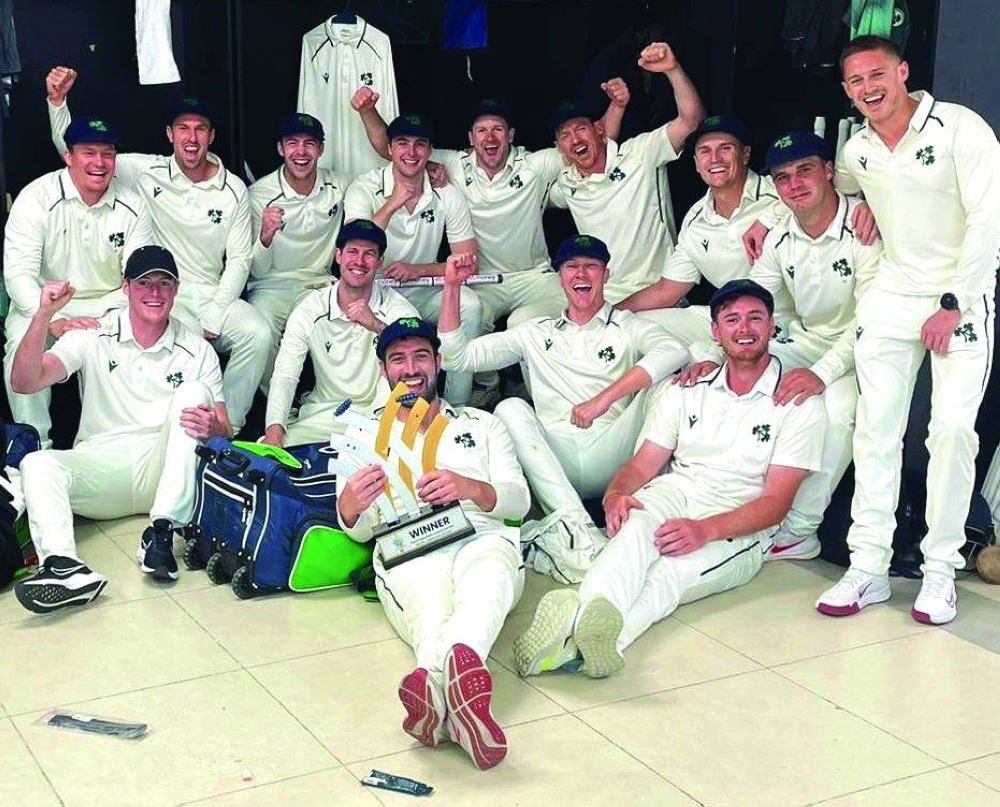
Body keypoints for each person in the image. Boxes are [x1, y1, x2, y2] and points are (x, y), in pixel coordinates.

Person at [513, 280, 823, 678]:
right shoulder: (687, 389)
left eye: (754, 318)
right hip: (676, 492)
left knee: (665, 577)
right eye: (732, 320)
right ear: (715, 332)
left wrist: (705, 530)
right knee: (634, 533)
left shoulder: (796, 401)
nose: (743, 328)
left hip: (737, 520)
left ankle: (580, 639)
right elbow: (642, 466)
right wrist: (617, 495)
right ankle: (586, 634)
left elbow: (775, 503)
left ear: (771, 327)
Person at [815, 35, 1000, 625]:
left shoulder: (959, 128)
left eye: (877, 75)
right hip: (893, 292)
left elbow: (988, 220)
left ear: (902, 72)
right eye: (855, 82)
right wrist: (862, 203)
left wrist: (955, 302)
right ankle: (867, 566)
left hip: (959, 295)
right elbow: (848, 188)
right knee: (874, 430)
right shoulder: (860, 151)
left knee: (949, 430)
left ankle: (939, 570)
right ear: (846, 91)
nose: (868, 89)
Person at [336, 316, 529, 770]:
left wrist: (471, 487)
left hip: (480, 535)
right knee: (431, 609)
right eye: (398, 359)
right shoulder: (363, 434)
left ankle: (435, 696)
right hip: (408, 551)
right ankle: (456, 707)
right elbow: (357, 529)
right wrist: (350, 503)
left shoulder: (480, 424)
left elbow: (517, 500)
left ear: (439, 362)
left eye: (421, 356)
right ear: (384, 370)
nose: (410, 368)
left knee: (486, 586)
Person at [679, 131, 881, 559]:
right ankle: (724, 498)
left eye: (805, 170)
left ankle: (798, 531)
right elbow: (756, 303)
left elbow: (870, 320)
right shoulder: (778, 234)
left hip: (865, 348)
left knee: (840, 409)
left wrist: (821, 375)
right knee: (709, 370)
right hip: (806, 341)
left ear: (829, 172)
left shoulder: (863, 228)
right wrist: (714, 358)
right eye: (784, 177)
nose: (795, 184)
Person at [438, 237, 689, 581]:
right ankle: (581, 529)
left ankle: (656, 511)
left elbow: (673, 351)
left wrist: (603, 400)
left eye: (591, 266)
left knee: (668, 385)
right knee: (511, 408)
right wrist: (452, 287)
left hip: (617, 451)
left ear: (606, 274)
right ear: (560, 277)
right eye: (572, 266)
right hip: (557, 457)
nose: (581, 274)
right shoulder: (534, 332)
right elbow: (457, 356)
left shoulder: (627, 325)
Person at [46, 67, 270, 433]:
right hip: (164, 292)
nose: (191, 137)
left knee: (257, 333)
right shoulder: (145, 170)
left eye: (200, 128)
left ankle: (226, 429)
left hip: (213, 292)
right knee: (188, 338)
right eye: (183, 128)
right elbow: (81, 158)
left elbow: (240, 259)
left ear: (212, 135)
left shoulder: (233, 189)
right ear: (170, 135)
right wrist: (58, 104)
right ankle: (172, 432)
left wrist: (215, 315)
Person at [11, 246, 231, 614]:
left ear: (177, 290)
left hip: (163, 467)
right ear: (126, 287)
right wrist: (45, 313)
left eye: (165, 283)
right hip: (102, 463)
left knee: (194, 393)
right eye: (145, 283)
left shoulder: (196, 349)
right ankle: (64, 569)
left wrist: (214, 427)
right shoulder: (94, 332)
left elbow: (226, 428)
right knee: (37, 463)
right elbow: (24, 381)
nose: (155, 293)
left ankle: (161, 532)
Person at [351, 84, 630, 330]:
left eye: (497, 129)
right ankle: (486, 386)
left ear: (510, 135)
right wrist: (367, 111)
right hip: (482, 279)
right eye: (482, 131)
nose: (490, 137)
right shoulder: (455, 165)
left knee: (575, 307)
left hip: (532, 276)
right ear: (471, 138)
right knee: (468, 314)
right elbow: (398, 151)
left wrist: (617, 106)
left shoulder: (534, 165)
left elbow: (593, 147)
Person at [3, 115, 151, 447]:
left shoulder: (134, 205)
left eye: (107, 153)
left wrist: (106, 319)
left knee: (119, 341)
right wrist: (53, 320)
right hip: (46, 302)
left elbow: (138, 276)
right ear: (68, 156)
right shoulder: (36, 198)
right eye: (88, 152)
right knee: (19, 341)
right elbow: (18, 274)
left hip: (110, 302)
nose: (99, 163)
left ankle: (104, 447)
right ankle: (33, 446)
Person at [547, 42, 705, 304]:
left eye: (581, 129)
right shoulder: (566, 184)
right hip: (602, 296)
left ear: (598, 130)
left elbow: (691, 120)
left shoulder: (639, 153)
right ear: (559, 147)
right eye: (565, 135)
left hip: (660, 292)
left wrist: (673, 69)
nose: (575, 139)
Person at [616, 115, 792, 344]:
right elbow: (666, 290)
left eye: (725, 148)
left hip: (784, 321)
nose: (715, 159)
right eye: (705, 151)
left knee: (706, 357)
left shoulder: (781, 193)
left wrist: (768, 218)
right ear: (696, 163)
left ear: (745, 154)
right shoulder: (695, 219)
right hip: (728, 319)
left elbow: (822, 197)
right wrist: (608, 313)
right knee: (628, 325)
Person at [344, 112, 480, 404]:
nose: (411, 152)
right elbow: (355, 246)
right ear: (389, 149)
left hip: (424, 286)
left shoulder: (446, 193)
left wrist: (418, 270)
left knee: (470, 304)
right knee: (403, 326)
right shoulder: (365, 187)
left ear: (430, 151)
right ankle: (398, 409)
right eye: (402, 143)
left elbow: (468, 262)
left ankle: (456, 404)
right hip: (377, 291)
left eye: (420, 145)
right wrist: (394, 202)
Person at [261, 219, 419, 446]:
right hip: (324, 416)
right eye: (352, 252)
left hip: (379, 417)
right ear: (338, 256)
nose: (360, 261)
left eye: (369, 254)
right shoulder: (310, 309)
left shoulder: (398, 309)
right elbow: (286, 375)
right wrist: (274, 431)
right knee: (268, 450)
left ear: (380, 261)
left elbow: (414, 362)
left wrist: (376, 325)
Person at [248, 113, 353, 387]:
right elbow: (256, 270)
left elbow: (385, 180)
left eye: (309, 143)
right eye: (292, 143)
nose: (301, 152)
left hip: (319, 282)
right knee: (260, 330)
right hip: (270, 287)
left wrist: (430, 168)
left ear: (321, 149)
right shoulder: (259, 194)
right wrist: (266, 236)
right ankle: (277, 406)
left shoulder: (340, 185)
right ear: (281, 148)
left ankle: (329, 401)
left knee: (342, 322)